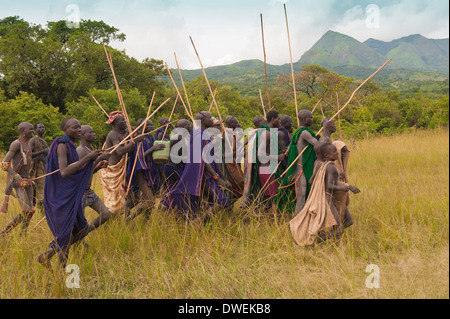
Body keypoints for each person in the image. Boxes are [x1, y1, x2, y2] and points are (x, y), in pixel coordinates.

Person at [37, 118, 102, 268]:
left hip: (70, 196)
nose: (79, 129)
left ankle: (48, 255)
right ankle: (61, 273)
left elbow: (78, 169)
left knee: (82, 229)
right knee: (65, 233)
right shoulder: (62, 145)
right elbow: (65, 172)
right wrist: (87, 158)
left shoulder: (71, 145)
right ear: (65, 130)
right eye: (75, 127)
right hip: (60, 197)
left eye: (80, 127)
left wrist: (97, 159)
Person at [161, 111, 231, 222]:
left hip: (208, 175)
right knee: (221, 201)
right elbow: (202, 160)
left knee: (210, 201)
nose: (212, 120)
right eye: (210, 118)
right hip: (206, 175)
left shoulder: (202, 134)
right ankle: (195, 223)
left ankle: (200, 223)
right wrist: (217, 178)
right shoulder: (199, 135)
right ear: (203, 121)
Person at [289, 143, 360, 246]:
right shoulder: (331, 167)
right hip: (328, 199)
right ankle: (310, 244)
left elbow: (312, 180)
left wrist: (334, 178)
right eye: (335, 152)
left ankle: (319, 242)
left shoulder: (321, 165)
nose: (338, 154)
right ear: (327, 155)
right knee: (339, 229)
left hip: (331, 198)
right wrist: (347, 187)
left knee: (348, 221)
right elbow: (330, 186)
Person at [276, 110, 319, 216]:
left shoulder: (296, 132)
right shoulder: (304, 133)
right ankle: (298, 220)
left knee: (302, 195)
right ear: (304, 119)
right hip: (300, 170)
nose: (312, 120)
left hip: (299, 168)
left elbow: (289, 150)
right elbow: (317, 145)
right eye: (310, 117)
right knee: (301, 196)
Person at [99, 111, 142, 217]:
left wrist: (129, 137)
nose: (126, 121)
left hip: (121, 169)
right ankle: (108, 221)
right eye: (123, 120)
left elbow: (129, 151)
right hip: (113, 171)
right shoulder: (113, 134)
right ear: (116, 122)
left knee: (125, 198)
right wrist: (134, 141)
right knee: (113, 203)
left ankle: (123, 220)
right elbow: (119, 151)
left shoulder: (122, 134)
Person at [125, 119, 165, 222]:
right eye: (149, 125)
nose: (152, 127)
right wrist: (153, 149)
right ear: (141, 126)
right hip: (141, 174)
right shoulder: (139, 138)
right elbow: (139, 156)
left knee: (149, 201)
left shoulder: (149, 137)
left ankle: (145, 222)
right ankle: (129, 218)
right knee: (150, 201)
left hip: (150, 172)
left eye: (152, 125)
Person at [0, 122, 35, 237]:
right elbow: (4, 164)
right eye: (30, 129)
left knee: (30, 211)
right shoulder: (16, 143)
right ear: (22, 131)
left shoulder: (28, 144)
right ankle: (4, 232)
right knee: (25, 209)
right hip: (18, 181)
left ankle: (22, 235)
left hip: (27, 180)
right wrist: (16, 176)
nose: (33, 131)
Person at [76, 125, 111, 233]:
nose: (93, 134)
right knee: (78, 223)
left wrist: (99, 167)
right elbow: (81, 171)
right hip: (79, 191)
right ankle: (78, 239)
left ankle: (84, 233)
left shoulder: (88, 149)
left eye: (93, 132)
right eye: (90, 132)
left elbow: (89, 171)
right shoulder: (81, 151)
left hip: (88, 191)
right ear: (82, 135)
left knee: (105, 214)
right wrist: (100, 158)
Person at [249, 110, 286, 208]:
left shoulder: (270, 132)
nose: (280, 122)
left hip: (270, 169)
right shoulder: (267, 133)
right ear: (273, 119)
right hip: (267, 169)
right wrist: (278, 157)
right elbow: (260, 155)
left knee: (269, 200)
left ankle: (267, 219)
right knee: (272, 199)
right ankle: (271, 220)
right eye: (278, 119)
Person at [241, 116, 266, 208]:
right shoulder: (256, 133)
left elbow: (242, 144)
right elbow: (242, 145)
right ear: (259, 124)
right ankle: (254, 205)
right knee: (256, 184)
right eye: (264, 121)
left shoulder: (255, 133)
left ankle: (255, 204)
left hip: (255, 163)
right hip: (256, 164)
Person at [221, 115, 245, 204]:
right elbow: (226, 154)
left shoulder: (229, 133)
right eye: (235, 122)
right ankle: (227, 204)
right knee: (239, 186)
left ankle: (229, 205)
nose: (236, 124)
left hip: (231, 162)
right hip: (228, 165)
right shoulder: (226, 134)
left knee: (238, 187)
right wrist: (239, 153)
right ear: (230, 124)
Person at [29, 122, 49, 210]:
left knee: (44, 190)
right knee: (41, 190)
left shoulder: (43, 140)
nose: (42, 129)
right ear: (35, 130)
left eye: (43, 127)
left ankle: (40, 211)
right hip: (37, 168)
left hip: (44, 167)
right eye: (40, 127)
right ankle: (40, 211)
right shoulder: (33, 140)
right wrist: (42, 152)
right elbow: (29, 154)